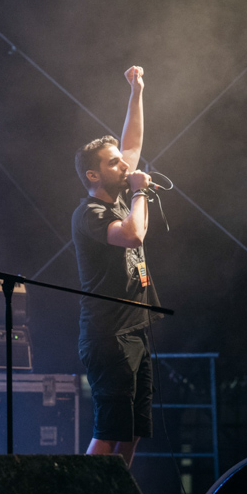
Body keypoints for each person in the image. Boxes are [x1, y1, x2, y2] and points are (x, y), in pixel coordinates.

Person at [71, 65, 162, 465]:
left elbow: (132, 142)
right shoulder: (90, 212)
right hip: (107, 336)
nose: (125, 167)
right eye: (114, 164)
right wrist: (140, 193)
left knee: (133, 430)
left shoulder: (119, 193)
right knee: (109, 432)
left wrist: (136, 92)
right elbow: (132, 235)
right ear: (94, 174)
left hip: (135, 331)